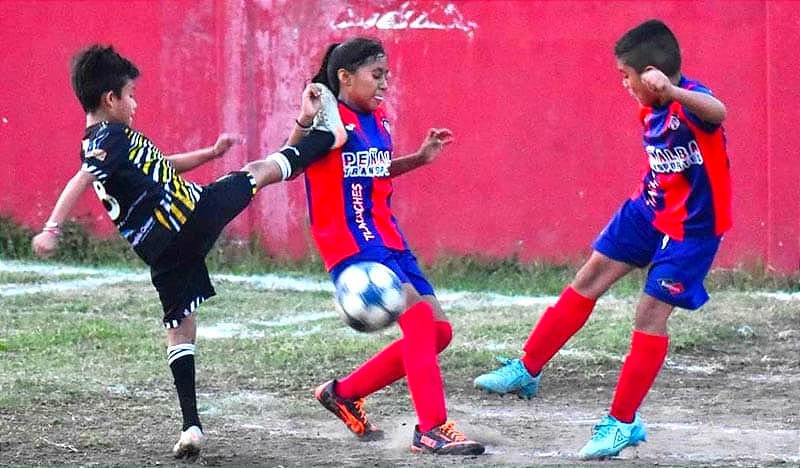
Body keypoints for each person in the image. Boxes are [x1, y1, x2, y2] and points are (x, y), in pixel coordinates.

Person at [31, 44, 344, 459]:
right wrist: (51, 228)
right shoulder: (109, 138)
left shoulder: (101, 141)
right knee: (256, 172)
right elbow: (81, 179)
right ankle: (327, 136)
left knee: (179, 329)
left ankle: (191, 426)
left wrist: (210, 155)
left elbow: (161, 164)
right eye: (130, 95)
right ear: (111, 99)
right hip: (191, 216)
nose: (135, 103)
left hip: (162, 252)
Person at [473, 19, 731, 460]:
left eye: (626, 77)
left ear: (652, 74)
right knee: (589, 277)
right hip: (648, 206)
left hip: (693, 227)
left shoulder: (686, 103)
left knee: (649, 313)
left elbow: (718, 112)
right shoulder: (647, 104)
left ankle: (621, 424)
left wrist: (672, 92)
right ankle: (527, 369)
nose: (623, 85)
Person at [288, 37, 484, 456]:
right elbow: (292, 163)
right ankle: (431, 429)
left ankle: (342, 393)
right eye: (376, 75)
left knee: (438, 331)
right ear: (345, 77)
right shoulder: (328, 120)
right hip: (349, 241)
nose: (384, 84)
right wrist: (304, 122)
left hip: (387, 236)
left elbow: (375, 171)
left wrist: (419, 158)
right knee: (417, 321)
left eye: (386, 76)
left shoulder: (379, 121)